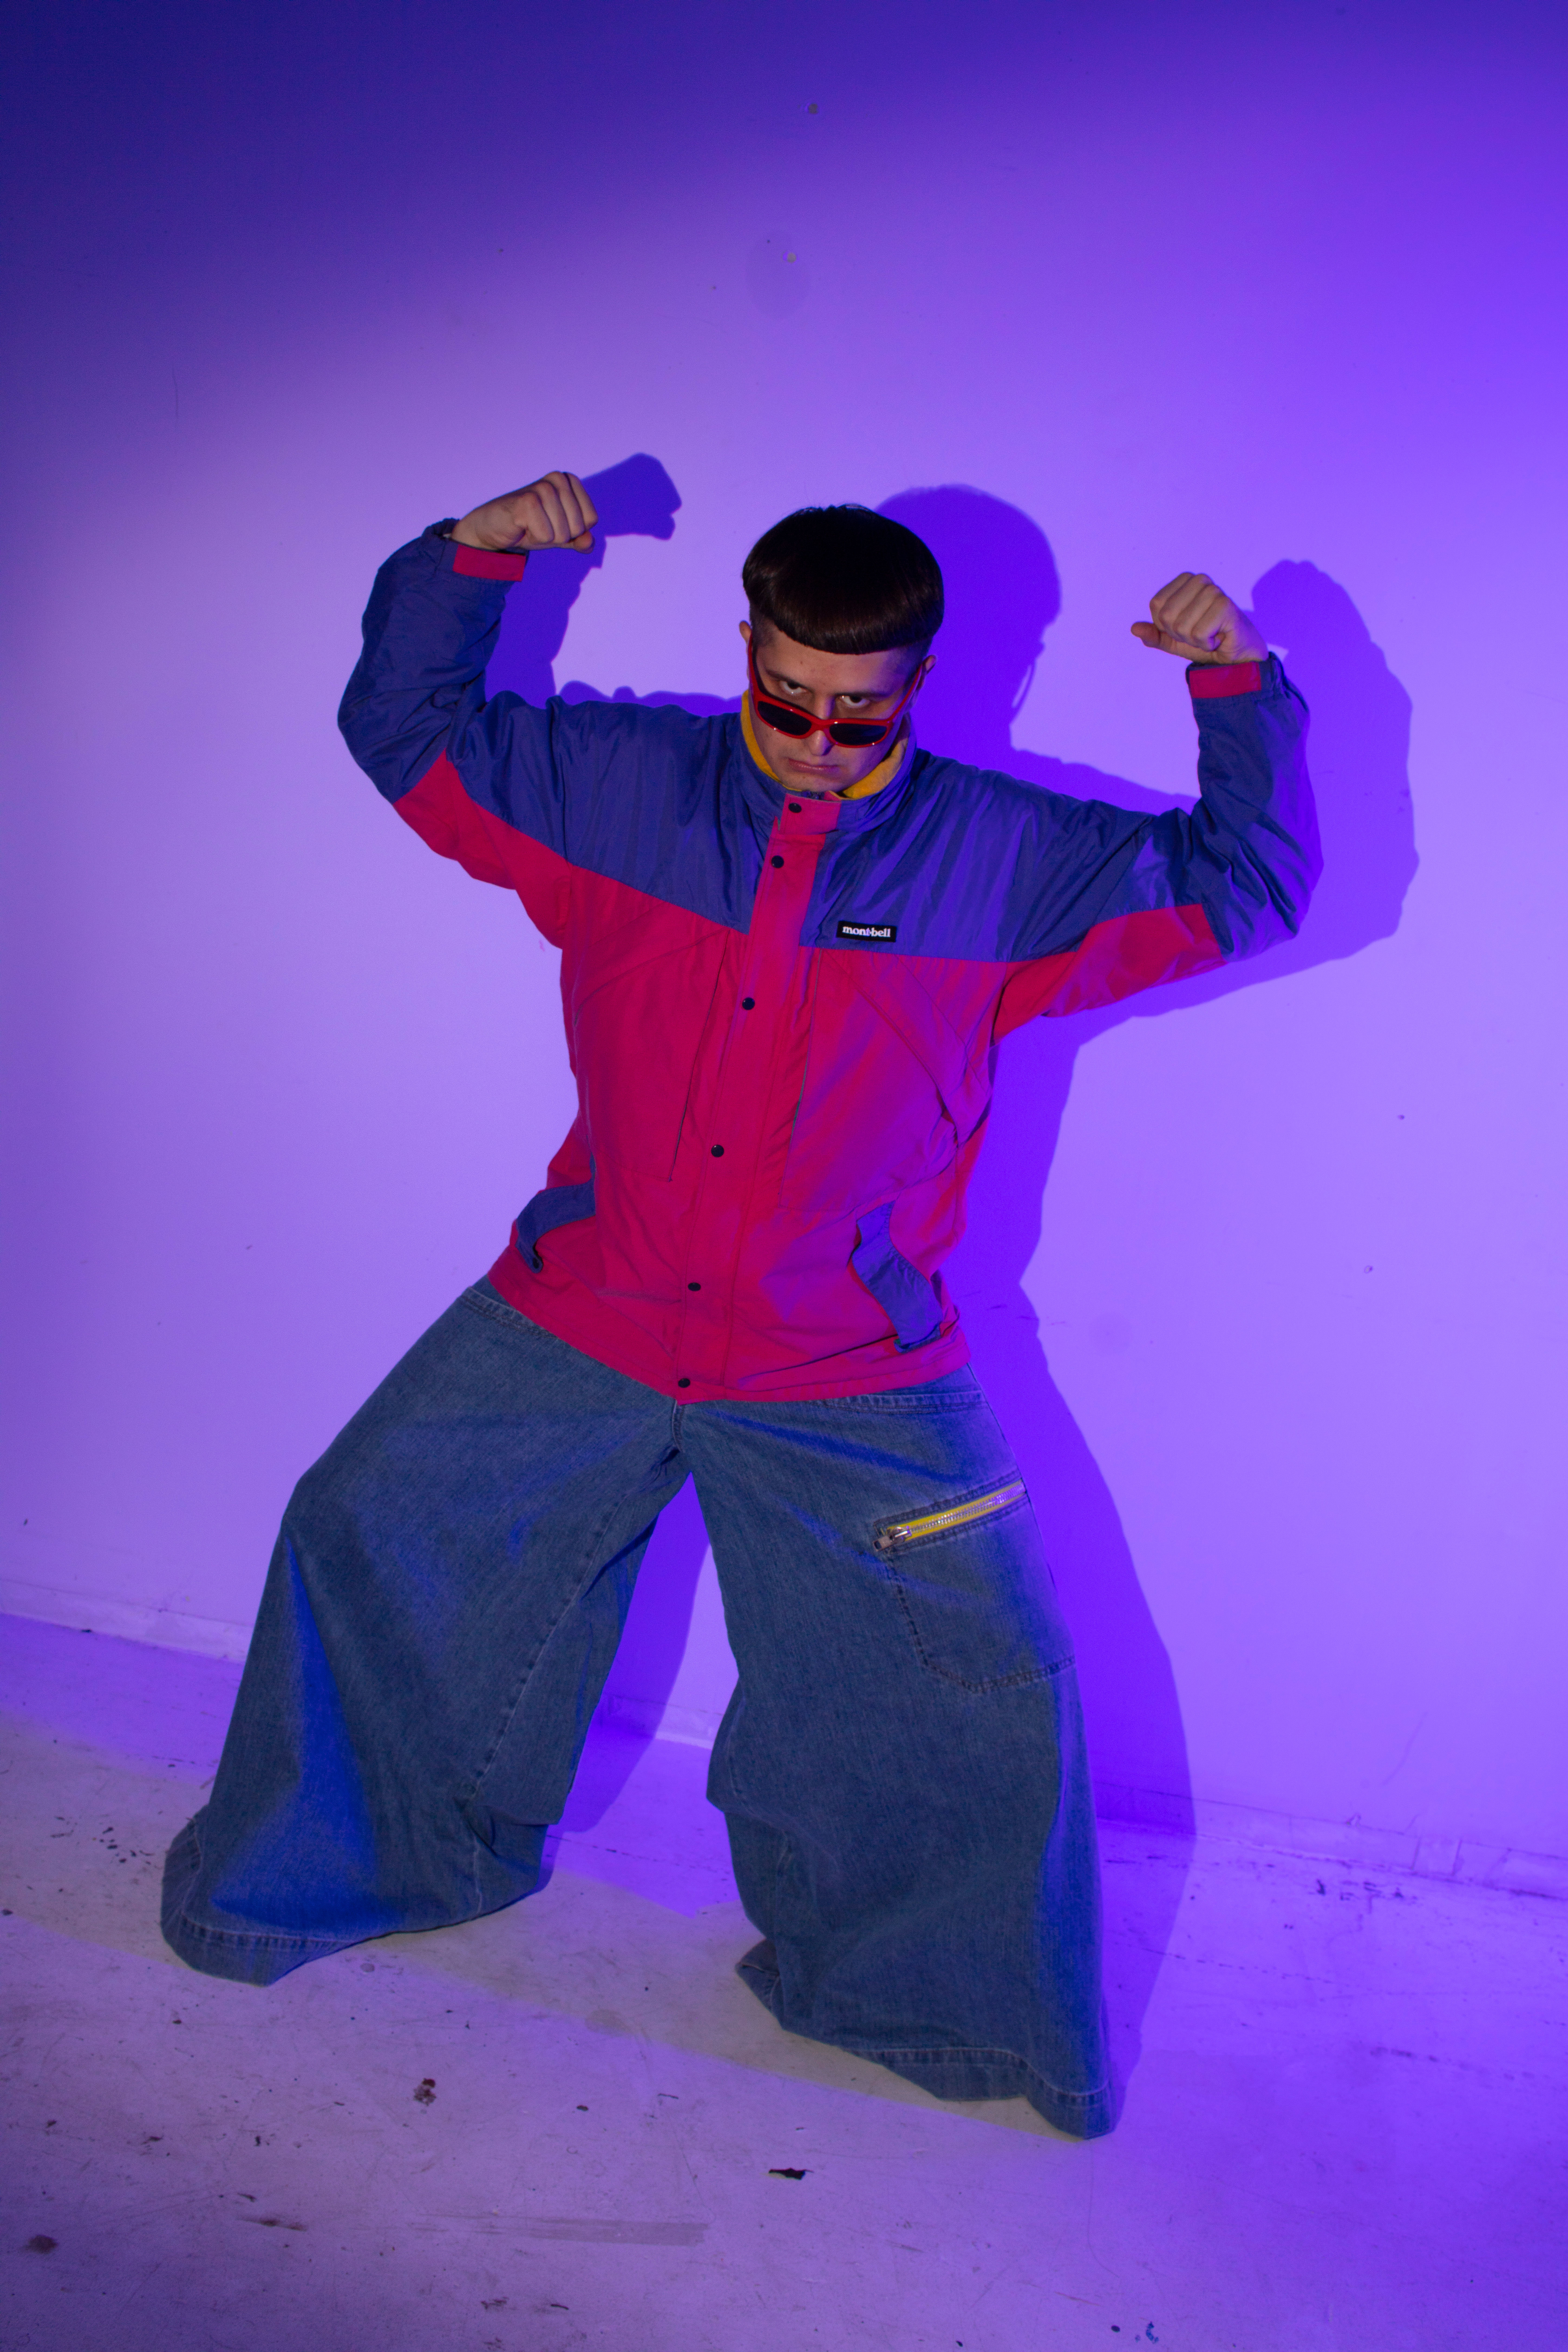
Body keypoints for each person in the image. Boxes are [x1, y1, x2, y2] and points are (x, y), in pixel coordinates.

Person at [162, 472, 1316, 2139]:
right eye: (792, 700)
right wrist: (473, 556)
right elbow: (402, 725)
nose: (825, 741)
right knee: (365, 1525)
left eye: (868, 714)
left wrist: (1236, 685)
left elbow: (1244, 883)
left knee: (978, 1671)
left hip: (845, 1353)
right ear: (749, 650)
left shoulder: (1012, 857)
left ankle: (946, 2007)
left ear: (919, 684)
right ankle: (335, 1868)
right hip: (594, 1298)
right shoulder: (618, 783)